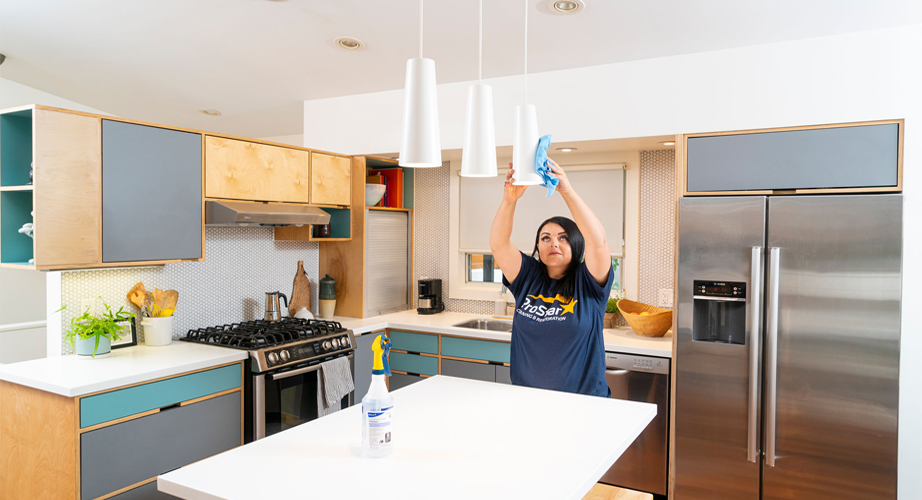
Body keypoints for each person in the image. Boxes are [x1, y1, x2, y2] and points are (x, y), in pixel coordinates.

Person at [490, 159, 613, 397]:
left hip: (584, 405)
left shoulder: (588, 282)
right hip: (528, 401)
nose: (553, 243)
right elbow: (498, 244)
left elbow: (599, 242)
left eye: (563, 237)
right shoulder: (528, 277)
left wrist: (566, 191)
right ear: (537, 245)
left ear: (576, 243)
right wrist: (509, 200)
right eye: (545, 238)